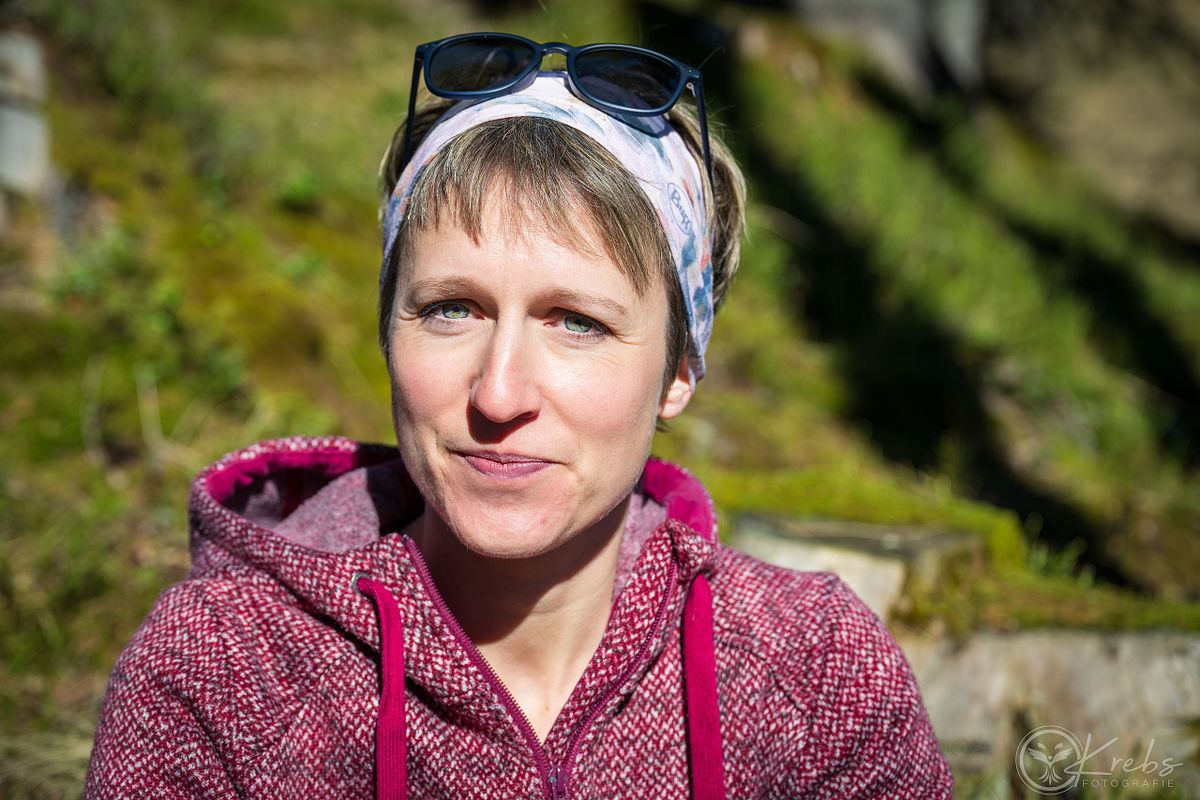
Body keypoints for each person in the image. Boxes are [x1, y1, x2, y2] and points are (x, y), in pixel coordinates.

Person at [84, 33, 954, 799]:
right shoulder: (217, 670)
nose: (499, 395)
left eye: (577, 323)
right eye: (450, 309)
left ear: (680, 371)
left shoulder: (817, 670)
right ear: (387, 330)